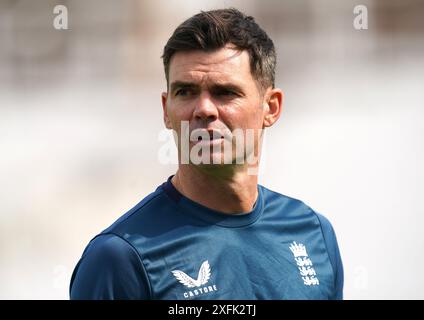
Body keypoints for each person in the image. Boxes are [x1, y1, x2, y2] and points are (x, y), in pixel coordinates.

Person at [70, 8, 343, 300]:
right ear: (166, 110)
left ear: (271, 107)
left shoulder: (314, 234)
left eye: (225, 92)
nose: (204, 109)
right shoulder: (120, 259)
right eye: (185, 92)